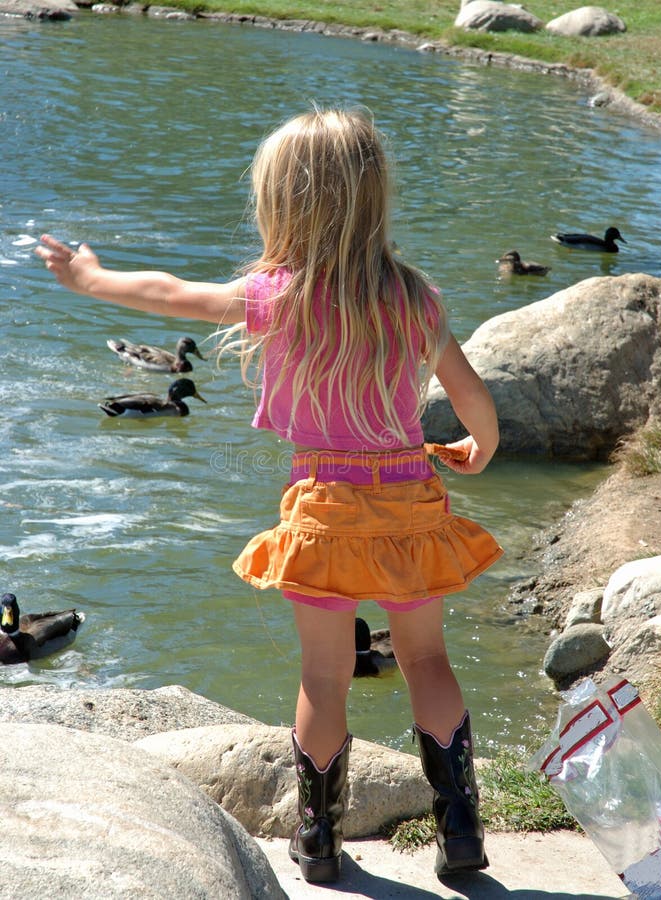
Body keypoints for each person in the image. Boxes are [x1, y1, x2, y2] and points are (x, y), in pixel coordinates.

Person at [36, 107, 502, 886]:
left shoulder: (280, 296)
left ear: (283, 205)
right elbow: (472, 395)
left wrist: (91, 279)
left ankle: (317, 839)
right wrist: (480, 447)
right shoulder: (415, 297)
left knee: (325, 675)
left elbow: (173, 293)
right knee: (426, 658)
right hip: (411, 498)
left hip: (323, 504)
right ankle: (460, 828)